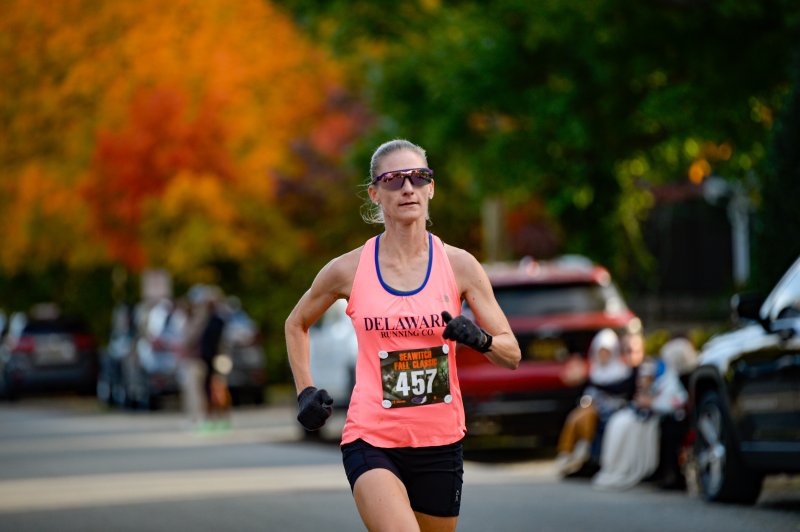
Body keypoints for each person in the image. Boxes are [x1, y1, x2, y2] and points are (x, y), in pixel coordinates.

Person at [285, 139, 521, 532]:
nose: (407, 188)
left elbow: (511, 354)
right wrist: (305, 390)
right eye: (394, 180)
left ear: (431, 188)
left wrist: (480, 339)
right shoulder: (348, 269)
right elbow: (296, 323)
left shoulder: (461, 266)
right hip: (371, 437)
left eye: (418, 177)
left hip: (440, 442)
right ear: (375, 193)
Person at [592, 338, 690, 491]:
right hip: (651, 412)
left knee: (628, 426)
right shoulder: (661, 373)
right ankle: (618, 466)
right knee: (619, 422)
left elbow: (676, 401)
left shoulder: (678, 377)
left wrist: (651, 403)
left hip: (665, 416)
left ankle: (640, 468)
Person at [555, 328, 634, 476]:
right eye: (600, 351)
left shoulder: (622, 371)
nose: (603, 355)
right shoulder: (595, 371)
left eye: (606, 352)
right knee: (575, 417)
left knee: (587, 416)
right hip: (592, 407)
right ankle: (568, 451)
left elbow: (619, 393)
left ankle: (584, 450)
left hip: (612, 409)